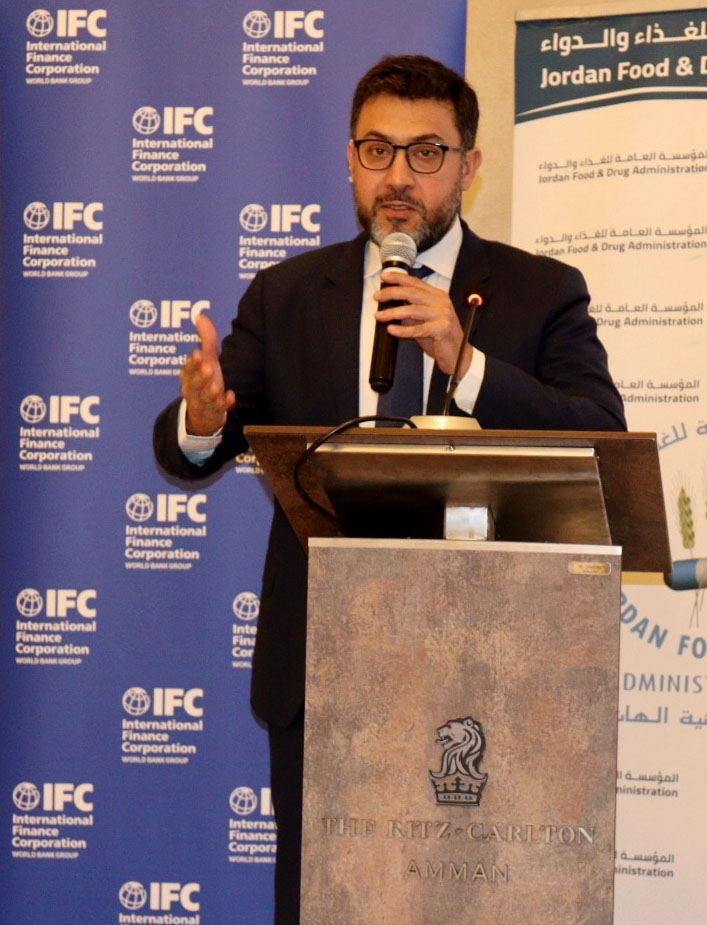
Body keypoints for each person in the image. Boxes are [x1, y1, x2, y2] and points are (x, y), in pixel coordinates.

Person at [154, 54, 625, 924]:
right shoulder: (289, 294)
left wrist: (467, 363)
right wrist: (204, 417)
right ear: (349, 160)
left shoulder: (541, 292)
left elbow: (598, 432)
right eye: (377, 150)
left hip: (500, 671)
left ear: (470, 166)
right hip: (325, 670)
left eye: (425, 152)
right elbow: (190, 453)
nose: (398, 176)